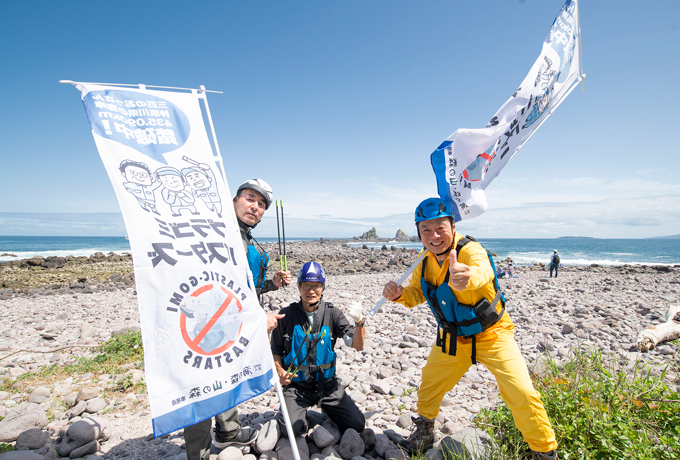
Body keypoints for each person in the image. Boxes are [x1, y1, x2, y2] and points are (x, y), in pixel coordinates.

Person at [381, 198, 558, 460]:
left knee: (521, 392)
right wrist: (399, 294)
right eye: (426, 230)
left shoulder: (470, 250)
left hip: (492, 335)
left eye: (440, 227)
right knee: (429, 385)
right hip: (452, 338)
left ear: (452, 226)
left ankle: (544, 452)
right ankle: (425, 433)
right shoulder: (424, 260)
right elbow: (418, 293)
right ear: (418, 233)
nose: (434, 236)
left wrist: (466, 278)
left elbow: (482, 270)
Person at [184, 178, 291, 460]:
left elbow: (245, 286)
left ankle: (228, 431)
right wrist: (258, 318)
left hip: (235, 324)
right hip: (211, 325)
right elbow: (216, 290)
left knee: (229, 375)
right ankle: (198, 454)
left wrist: (271, 284)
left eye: (261, 204)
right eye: (249, 199)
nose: (254, 207)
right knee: (204, 385)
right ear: (234, 201)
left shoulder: (246, 236)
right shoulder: (219, 235)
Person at [271, 261, 366, 437]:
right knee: (291, 430)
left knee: (357, 425)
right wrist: (280, 372)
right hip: (297, 386)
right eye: (306, 285)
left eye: (316, 285)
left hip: (328, 385)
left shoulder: (333, 313)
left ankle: (328, 410)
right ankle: (304, 416)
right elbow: (275, 349)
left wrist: (360, 322)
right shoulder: (286, 315)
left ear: (322, 287)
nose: (311, 290)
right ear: (299, 287)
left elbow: (357, 345)